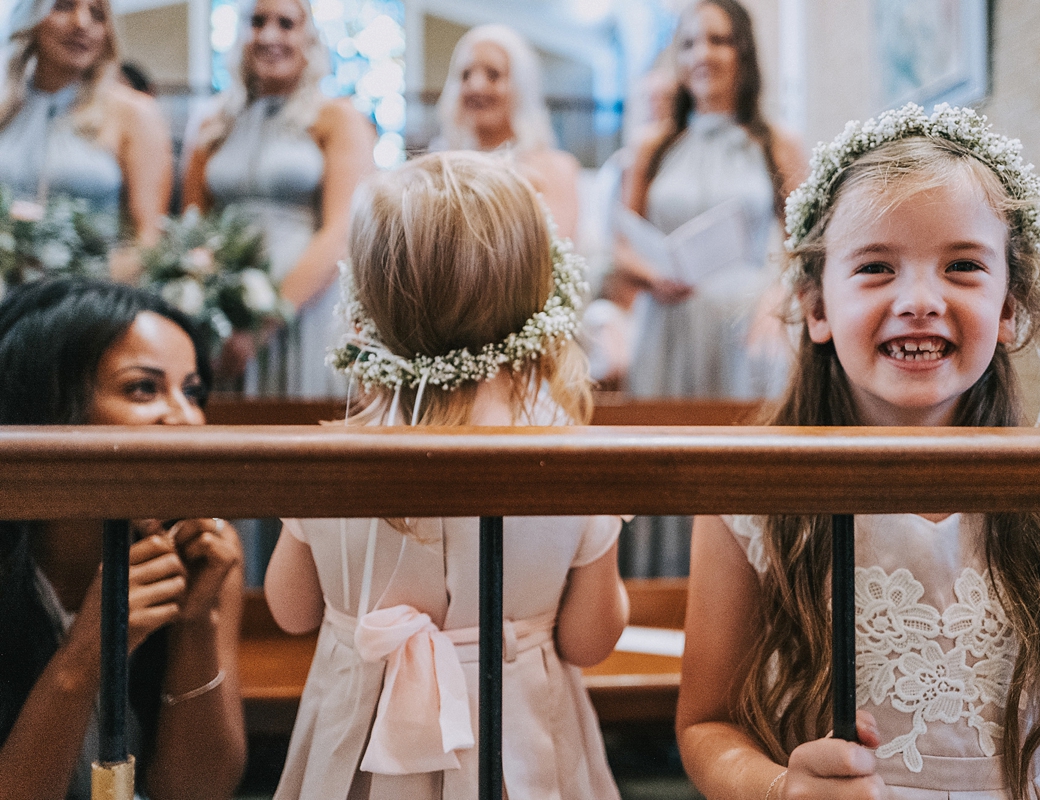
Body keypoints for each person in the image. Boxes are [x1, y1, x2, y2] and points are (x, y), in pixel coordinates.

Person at [676, 104, 1040, 800]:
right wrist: (780, 788)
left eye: (961, 265)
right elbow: (706, 724)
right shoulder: (751, 496)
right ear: (817, 307)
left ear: (1009, 308)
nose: (919, 300)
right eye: (875, 268)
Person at [264, 151, 629, 800]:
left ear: (369, 304)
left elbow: (291, 611)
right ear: (533, 299)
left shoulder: (328, 461)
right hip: (515, 742)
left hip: (362, 742)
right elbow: (591, 638)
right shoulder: (569, 460)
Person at [0, 278, 246, 800]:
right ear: (47, 407)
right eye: (144, 388)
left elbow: (197, 792)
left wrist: (197, 624)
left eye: (194, 391)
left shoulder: (202, 549)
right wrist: (90, 650)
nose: (185, 417)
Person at [183, 0, 375, 396]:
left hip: (306, 307)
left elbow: (342, 231)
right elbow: (192, 226)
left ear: (309, 39)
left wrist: (266, 322)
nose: (269, 35)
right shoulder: (211, 122)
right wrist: (210, 308)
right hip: (225, 315)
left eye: (285, 23)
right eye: (257, 22)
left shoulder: (337, 118)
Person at [618, 0, 807, 400]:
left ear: (744, 51)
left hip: (746, 326)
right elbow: (620, 242)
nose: (702, 54)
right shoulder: (650, 147)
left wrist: (777, 299)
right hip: (668, 323)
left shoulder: (777, 144)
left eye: (718, 40)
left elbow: (804, 243)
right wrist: (653, 276)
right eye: (688, 44)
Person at [0, 0, 172, 267]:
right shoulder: (6, 110)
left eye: (97, 14)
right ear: (31, 18)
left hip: (89, 294)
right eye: (64, 6)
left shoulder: (134, 113)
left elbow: (148, 240)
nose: (82, 24)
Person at [435, 24, 581, 240]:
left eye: (493, 75)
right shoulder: (438, 164)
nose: (475, 86)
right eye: (465, 75)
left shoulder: (555, 169)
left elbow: (556, 251)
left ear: (521, 86)